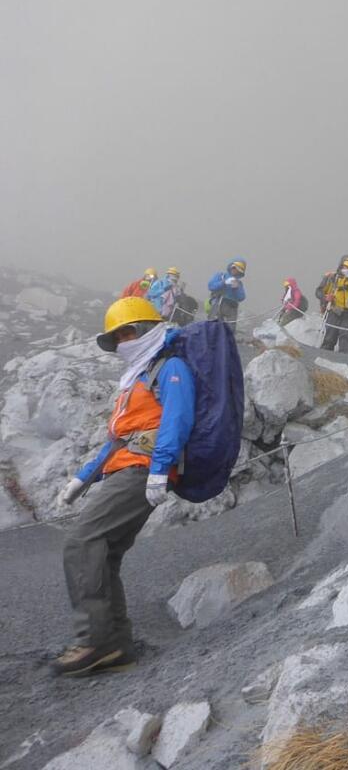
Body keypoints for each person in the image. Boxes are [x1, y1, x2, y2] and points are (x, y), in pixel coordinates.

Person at [51, 297, 194, 677]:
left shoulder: (169, 367)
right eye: (116, 337)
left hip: (143, 469)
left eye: (126, 332)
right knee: (104, 551)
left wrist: (161, 469)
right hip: (127, 468)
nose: (121, 342)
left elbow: (176, 420)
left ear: (147, 330)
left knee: (81, 542)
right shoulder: (138, 375)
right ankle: (116, 646)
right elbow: (119, 438)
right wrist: (83, 478)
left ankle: (95, 640)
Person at [317, 256, 348, 353]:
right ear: (341, 267)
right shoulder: (331, 279)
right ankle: (325, 356)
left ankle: (346, 359)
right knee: (330, 337)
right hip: (334, 311)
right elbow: (318, 291)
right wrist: (325, 297)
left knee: (345, 337)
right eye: (346, 268)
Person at [206, 259, 247, 328]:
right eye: (234, 267)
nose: (235, 270)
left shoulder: (239, 283)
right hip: (217, 304)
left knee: (230, 330)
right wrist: (223, 283)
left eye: (238, 269)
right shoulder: (221, 276)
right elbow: (211, 286)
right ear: (230, 267)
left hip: (231, 308)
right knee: (212, 327)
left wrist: (236, 289)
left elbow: (241, 297)